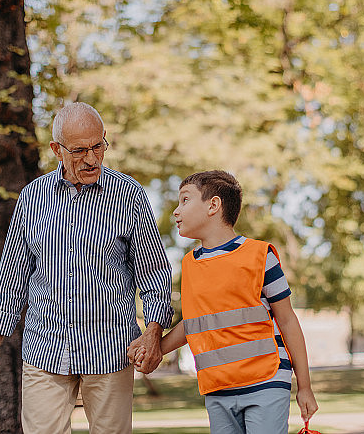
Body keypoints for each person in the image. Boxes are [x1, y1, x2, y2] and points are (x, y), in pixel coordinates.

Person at [0, 102, 173, 434]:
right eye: (79, 151)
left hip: (111, 349)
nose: (92, 159)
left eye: (98, 146)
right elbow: (11, 279)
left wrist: (152, 332)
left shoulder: (128, 194)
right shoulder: (32, 197)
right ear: (56, 151)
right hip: (45, 348)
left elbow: (154, 274)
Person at [128, 170, 318, 433]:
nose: (175, 211)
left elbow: (287, 321)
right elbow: (193, 324)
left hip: (266, 379)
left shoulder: (260, 256)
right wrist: (155, 348)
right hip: (217, 387)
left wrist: (305, 387)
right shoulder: (189, 265)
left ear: (213, 206)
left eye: (185, 200)